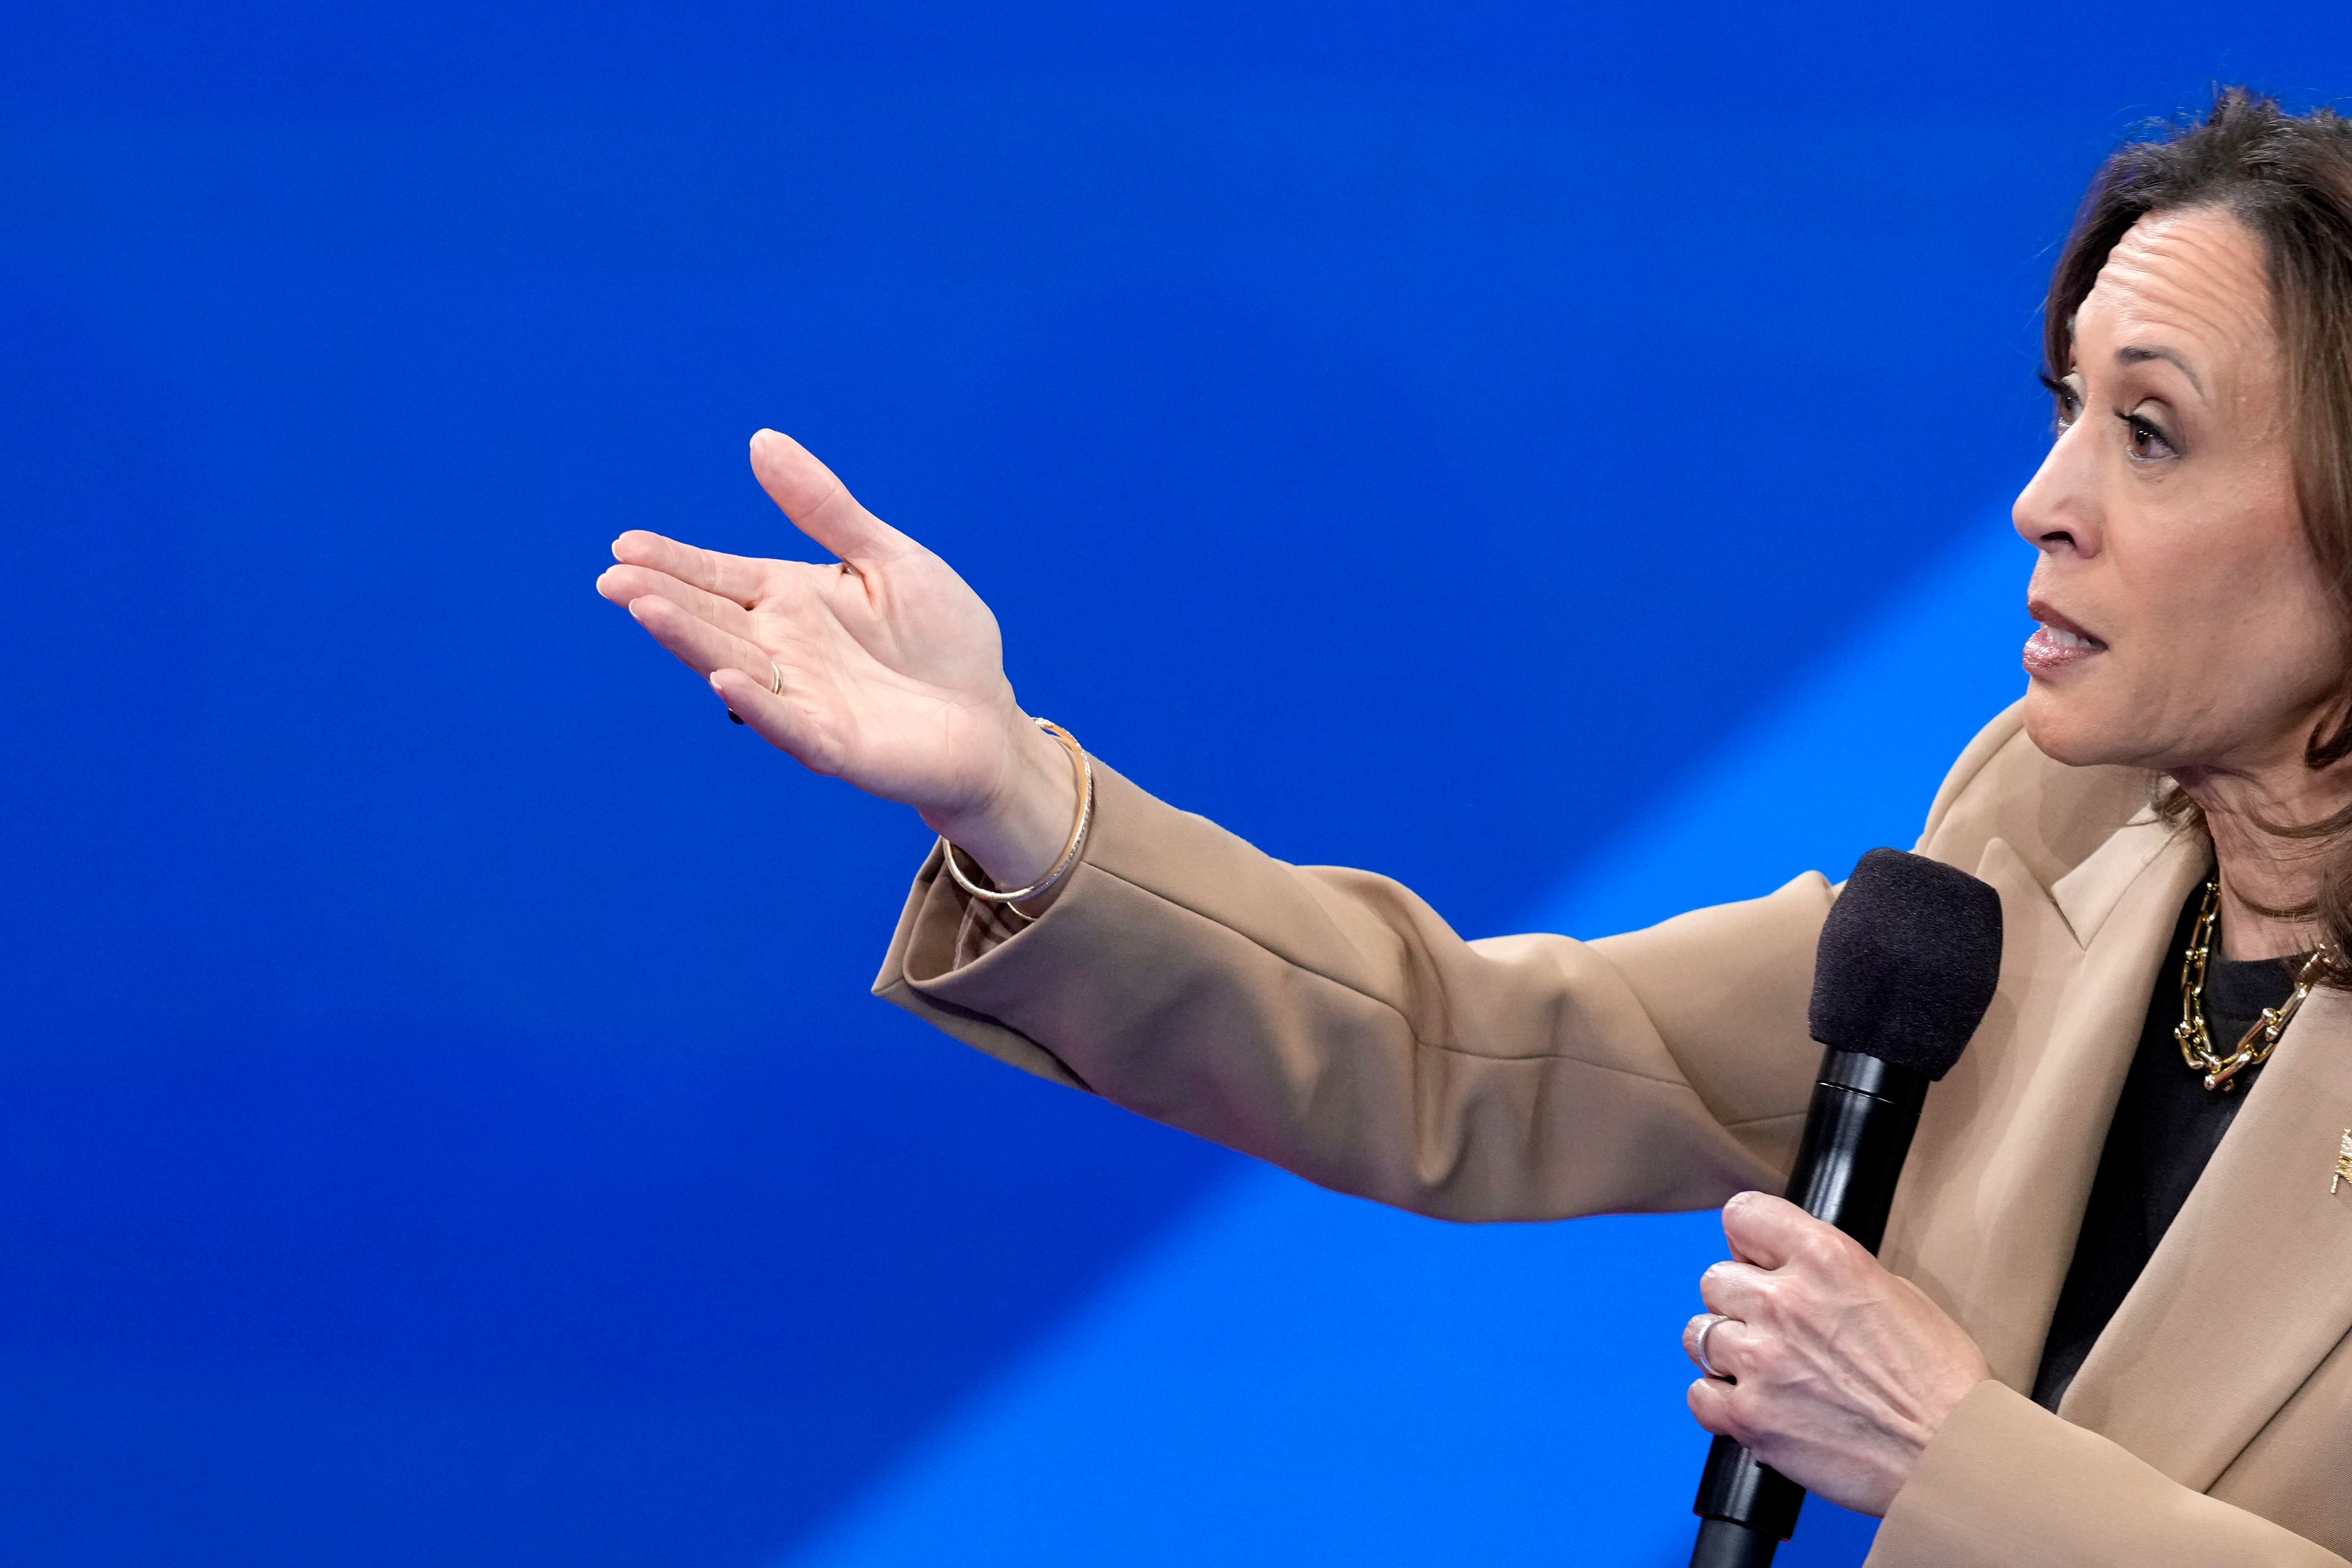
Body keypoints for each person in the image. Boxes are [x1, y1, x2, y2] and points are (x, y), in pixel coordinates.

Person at [595, 90, 2352, 1564]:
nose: (2047, 505)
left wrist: (1944, 1450)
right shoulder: (2038, 847)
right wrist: (1018, 796)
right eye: (2065, 413)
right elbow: (1481, 1051)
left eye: (2151, 433)